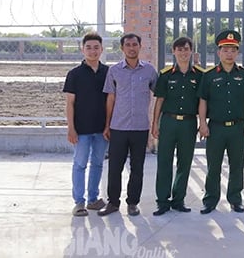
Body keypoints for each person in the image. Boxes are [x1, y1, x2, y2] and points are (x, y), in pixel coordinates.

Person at [98, 33, 159, 217]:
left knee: (137, 168)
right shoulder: (114, 71)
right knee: (115, 167)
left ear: (140, 47)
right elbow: (110, 97)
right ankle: (113, 203)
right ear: (122, 48)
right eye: (128, 45)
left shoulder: (149, 70)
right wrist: (107, 125)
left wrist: (156, 122)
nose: (131, 48)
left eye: (135, 44)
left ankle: (133, 203)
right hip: (118, 127)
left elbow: (159, 94)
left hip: (140, 128)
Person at [198, 29, 244, 214]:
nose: (229, 53)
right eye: (225, 50)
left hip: (238, 127)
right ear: (219, 52)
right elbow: (203, 101)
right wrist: (203, 123)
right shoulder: (209, 75)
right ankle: (210, 199)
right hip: (215, 127)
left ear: (237, 52)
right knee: (213, 166)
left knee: (237, 165)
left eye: (233, 50)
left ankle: (235, 199)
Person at [151, 37, 205, 216]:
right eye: (179, 49)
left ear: (191, 52)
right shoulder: (166, 74)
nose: (183, 53)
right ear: (173, 52)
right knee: (164, 161)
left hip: (189, 123)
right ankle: (162, 201)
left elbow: (202, 102)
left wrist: (202, 122)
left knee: (185, 162)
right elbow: (159, 101)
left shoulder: (199, 75)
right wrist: (155, 124)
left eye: (186, 49)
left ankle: (178, 199)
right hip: (169, 122)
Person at [63, 32, 109, 216]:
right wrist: (71, 128)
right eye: (88, 47)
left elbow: (111, 101)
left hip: (101, 130)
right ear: (82, 49)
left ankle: (93, 199)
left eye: (96, 47)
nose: (92, 51)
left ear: (102, 49)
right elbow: (69, 104)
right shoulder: (74, 74)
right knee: (80, 164)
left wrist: (108, 126)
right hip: (81, 130)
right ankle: (79, 202)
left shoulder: (108, 73)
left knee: (97, 163)